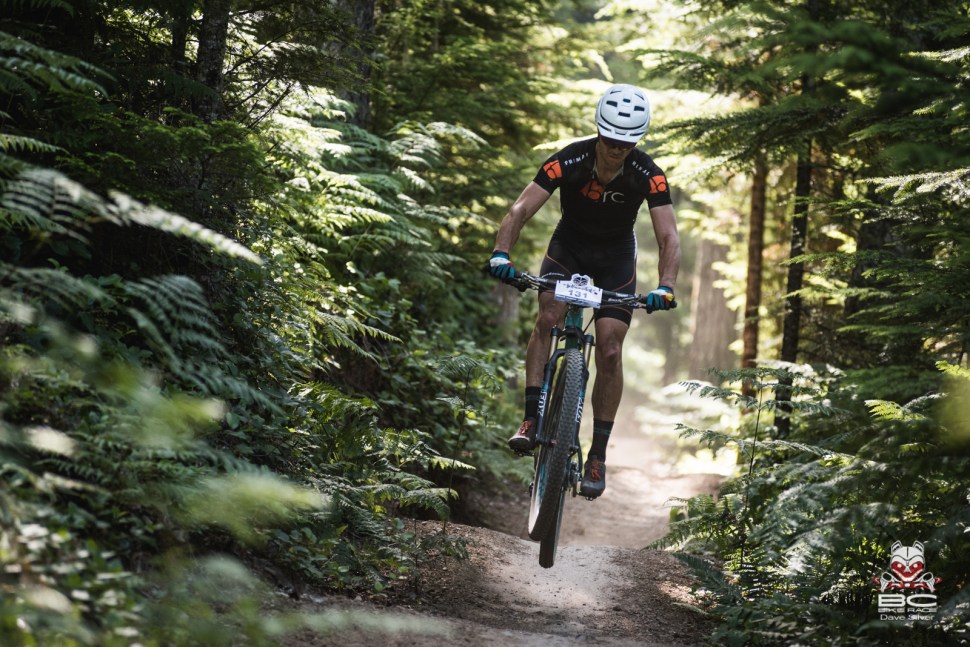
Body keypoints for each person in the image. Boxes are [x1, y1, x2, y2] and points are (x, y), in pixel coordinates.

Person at [487, 83, 680, 499]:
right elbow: (520, 209)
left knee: (610, 348)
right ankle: (531, 419)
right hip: (569, 249)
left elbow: (668, 236)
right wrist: (502, 253)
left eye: (626, 144)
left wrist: (665, 286)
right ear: (599, 132)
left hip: (616, 259)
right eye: (610, 141)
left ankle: (598, 455)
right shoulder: (568, 160)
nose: (616, 150)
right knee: (548, 318)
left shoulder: (649, 174)